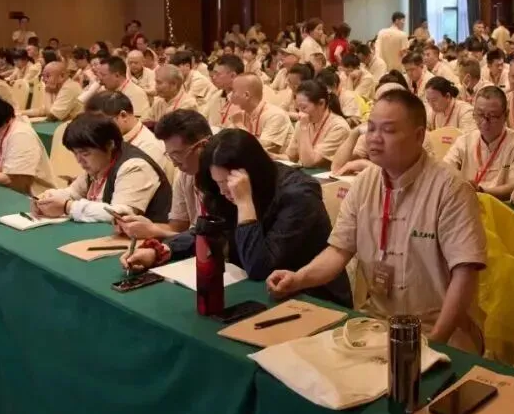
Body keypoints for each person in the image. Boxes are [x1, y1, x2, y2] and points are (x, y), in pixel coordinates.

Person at [268, 90, 487, 350]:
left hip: (439, 329)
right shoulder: (364, 182)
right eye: (371, 128)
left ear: (419, 136)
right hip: (378, 322)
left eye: (388, 130)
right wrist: (298, 279)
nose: (374, 138)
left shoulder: (450, 188)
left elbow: (464, 275)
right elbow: (338, 251)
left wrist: (435, 342)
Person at [123, 129, 353, 306]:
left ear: (250, 173)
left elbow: (260, 267)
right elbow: (208, 231)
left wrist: (244, 203)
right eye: (218, 182)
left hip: (312, 297)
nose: (223, 191)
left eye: (227, 182)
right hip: (254, 292)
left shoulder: (299, 194)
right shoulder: (222, 190)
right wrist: (159, 250)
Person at [33, 114, 171, 222]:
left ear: (110, 145)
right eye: (75, 153)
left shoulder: (134, 166)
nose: (79, 160)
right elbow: (73, 192)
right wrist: (47, 198)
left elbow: (119, 214)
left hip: (146, 243)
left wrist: (67, 207)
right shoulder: (99, 163)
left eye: (85, 153)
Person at [116, 109, 210, 241]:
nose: (175, 164)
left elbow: (212, 240)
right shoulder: (184, 175)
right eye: (170, 155)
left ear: (203, 145)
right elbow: (177, 228)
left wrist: (155, 231)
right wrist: (147, 226)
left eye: (178, 154)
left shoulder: (224, 180)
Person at [442, 86, 514, 200]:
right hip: (466, 202)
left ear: (505, 115)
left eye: (492, 116)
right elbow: (445, 169)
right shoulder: (464, 141)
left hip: (500, 206)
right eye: (480, 115)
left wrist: (481, 191)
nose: (485, 122)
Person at [84, 91, 173, 183]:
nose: (97, 130)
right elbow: (83, 184)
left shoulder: (149, 148)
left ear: (123, 116)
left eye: (101, 123)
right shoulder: (111, 141)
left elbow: (129, 189)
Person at [281, 80, 350, 168]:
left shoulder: (339, 127)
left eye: (304, 107)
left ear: (321, 103)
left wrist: (304, 128)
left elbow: (310, 162)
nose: (300, 113)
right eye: (298, 109)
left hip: (326, 176)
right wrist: (271, 156)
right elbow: (290, 157)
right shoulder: (302, 123)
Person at [225, 73, 292, 153]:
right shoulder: (242, 113)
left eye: (233, 91)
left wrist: (239, 124)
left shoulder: (275, 115)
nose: (229, 95)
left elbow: (260, 150)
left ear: (246, 95)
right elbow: (226, 141)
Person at [202, 54, 243, 127]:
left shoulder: (245, 100)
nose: (214, 77)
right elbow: (202, 117)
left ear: (233, 76)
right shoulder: (216, 95)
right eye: (213, 73)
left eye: (217, 74)